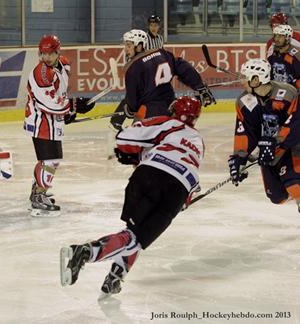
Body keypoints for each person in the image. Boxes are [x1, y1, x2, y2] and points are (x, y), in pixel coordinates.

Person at [61, 96, 204, 298]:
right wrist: (182, 201)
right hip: (178, 188)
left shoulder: (167, 122)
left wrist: (129, 154)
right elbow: (191, 178)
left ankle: (113, 276)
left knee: (132, 234)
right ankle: (88, 253)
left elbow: (126, 138)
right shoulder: (198, 141)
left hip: (147, 176)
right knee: (135, 238)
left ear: (173, 110)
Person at [23, 34, 95, 217]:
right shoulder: (41, 74)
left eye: (49, 53)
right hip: (41, 121)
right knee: (50, 161)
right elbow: (49, 103)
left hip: (52, 119)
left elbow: (60, 93)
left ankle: (38, 190)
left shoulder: (64, 64)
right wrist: (73, 105)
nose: (45, 57)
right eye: (42, 54)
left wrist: (69, 111)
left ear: (57, 52)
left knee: (50, 160)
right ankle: (39, 196)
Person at [229, 59, 299, 213]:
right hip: (268, 151)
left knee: (295, 185)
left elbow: (295, 124)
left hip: (292, 146)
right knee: (277, 196)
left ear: (256, 79)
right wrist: (240, 157)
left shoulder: (288, 93)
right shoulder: (244, 102)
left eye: (245, 77)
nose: (242, 81)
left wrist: (275, 142)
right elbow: (246, 132)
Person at [109, 29, 214, 131]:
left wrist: (129, 110)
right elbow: (183, 67)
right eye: (125, 45)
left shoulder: (132, 68)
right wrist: (199, 86)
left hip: (149, 113)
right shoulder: (162, 53)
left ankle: (116, 123)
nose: (126, 49)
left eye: (129, 45)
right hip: (171, 108)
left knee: (139, 143)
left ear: (139, 46)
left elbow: (133, 100)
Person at [267, 24, 300, 88]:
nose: (276, 39)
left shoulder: (295, 55)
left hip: (291, 92)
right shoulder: (272, 52)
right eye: (275, 36)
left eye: (280, 36)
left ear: (288, 38)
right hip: (275, 89)